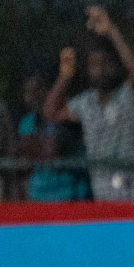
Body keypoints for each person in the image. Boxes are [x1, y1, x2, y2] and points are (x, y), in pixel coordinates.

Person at [43, 5, 134, 200]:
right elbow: (51, 112)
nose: (101, 69)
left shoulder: (127, 93)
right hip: (101, 192)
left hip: (132, 188)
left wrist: (112, 32)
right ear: (88, 70)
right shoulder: (86, 102)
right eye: (95, 65)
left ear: (115, 65)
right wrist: (65, 76)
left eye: (106, 63)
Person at [15, 69, 91, 202]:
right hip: (39, 196)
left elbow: (52, 149)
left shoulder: (72, 117)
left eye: (38, 89)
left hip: (72, 195)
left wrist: (35, 145)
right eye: (28, 91)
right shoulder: (26, 122)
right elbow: (21, 153)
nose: (33, 95)